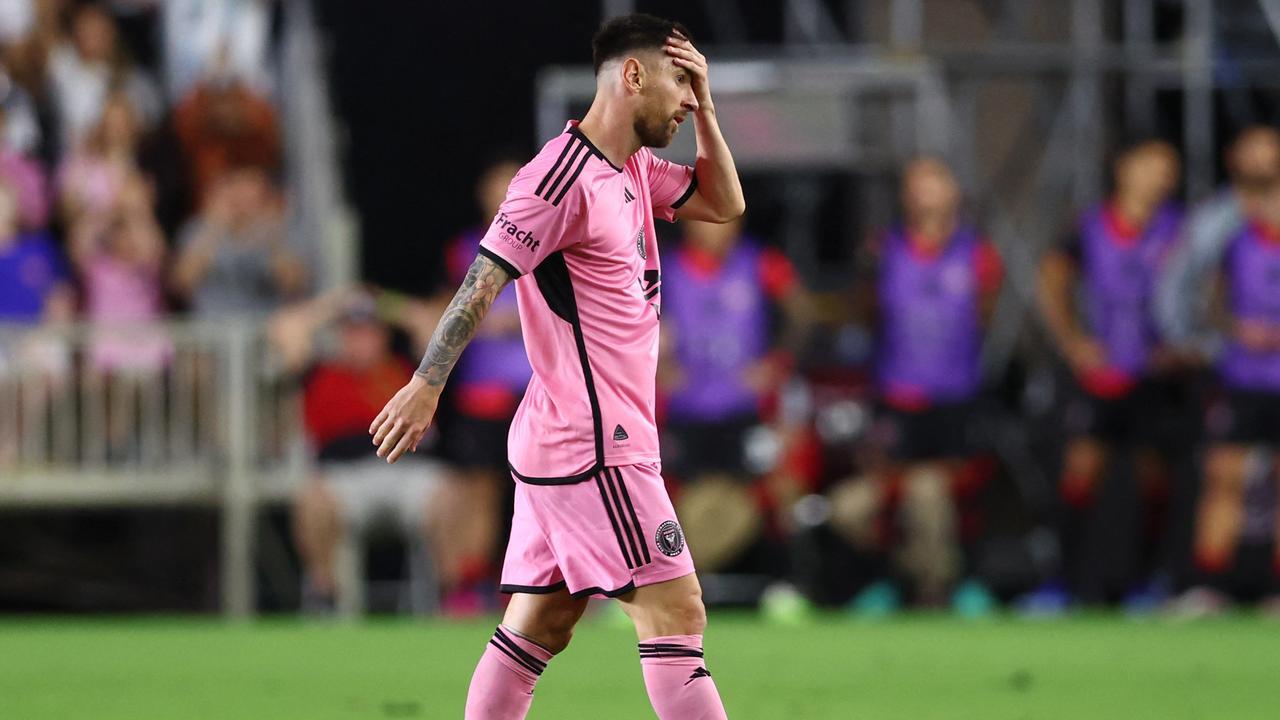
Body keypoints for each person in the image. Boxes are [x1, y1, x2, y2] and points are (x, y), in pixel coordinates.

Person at [369, 14, 743, 720]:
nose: (688, 100)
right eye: (679, 82)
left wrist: (711, 106)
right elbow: (481, 282)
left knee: (537, 628)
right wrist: (426, 383)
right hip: (594, 446)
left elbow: (725, 202)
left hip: (570, 438)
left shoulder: (630, 167)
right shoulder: (556, 179)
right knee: (676, 608)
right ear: (632, 76)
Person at [828, 157, 1002, 612]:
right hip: (895, 401)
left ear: (955, 192)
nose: (926, 194)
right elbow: (866, 317)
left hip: (954, 403)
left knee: (931, 494)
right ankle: (894, 579)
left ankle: (941, 590)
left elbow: (983, 319)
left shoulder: (977, 256)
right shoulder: (882, 253)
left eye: (936, 182)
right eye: (917, 184)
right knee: (853, 507)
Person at [1037, 139, 1183, 608]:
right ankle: (1063, 583)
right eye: (1151, 166)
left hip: (1156, 377)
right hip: (1101, 378)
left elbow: (1211, 289)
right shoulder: (1089, 227)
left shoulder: (1180, 230)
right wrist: (1072, 341)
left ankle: (1149, 583)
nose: (1160, 178)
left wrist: (1191, 343)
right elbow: (1052, 279)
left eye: (1169, 170)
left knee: (1153, 481)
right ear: (1125, 168)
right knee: (1080, 475)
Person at [659, 216, 801, 574]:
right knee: (667, 500)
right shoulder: (664, 269)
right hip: (688, 412)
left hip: (744, 411)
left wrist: (776, 364)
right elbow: (627, 322)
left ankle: (788, 581)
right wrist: (657, 365)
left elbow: (804, 313)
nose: (717, 228)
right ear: (690, 225)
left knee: (778, 489)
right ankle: (654, 583)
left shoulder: (759, 263)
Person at [291, 291, 448, 612]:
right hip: (342, 478)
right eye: (351, 332)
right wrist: (336, 304)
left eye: (367, 332)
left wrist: (382, 301)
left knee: (453, 493)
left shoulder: (410, 373)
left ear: (382, 335)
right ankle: (324, 595)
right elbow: (286, 329)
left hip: (408, 472)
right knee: (312, 499)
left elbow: (434, 326)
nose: (359, 341)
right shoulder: (321, 373)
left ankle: (451, 594)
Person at [1169, 176, 1280, 617]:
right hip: (1242, 379)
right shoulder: (1234, 245)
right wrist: (1237, 329)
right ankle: (1209, 585)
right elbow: (1209, 303)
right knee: (1223, 478)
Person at [435, 154, 532, 615]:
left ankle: (562, 585)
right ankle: (469, 584)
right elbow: (459, 312)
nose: (506, 195)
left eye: (513, 185)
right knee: (481, 491)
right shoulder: (464, 249)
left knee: (554, 492)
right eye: (498, 187)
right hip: (485, 393)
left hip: (542, 390)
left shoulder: (555, 240)